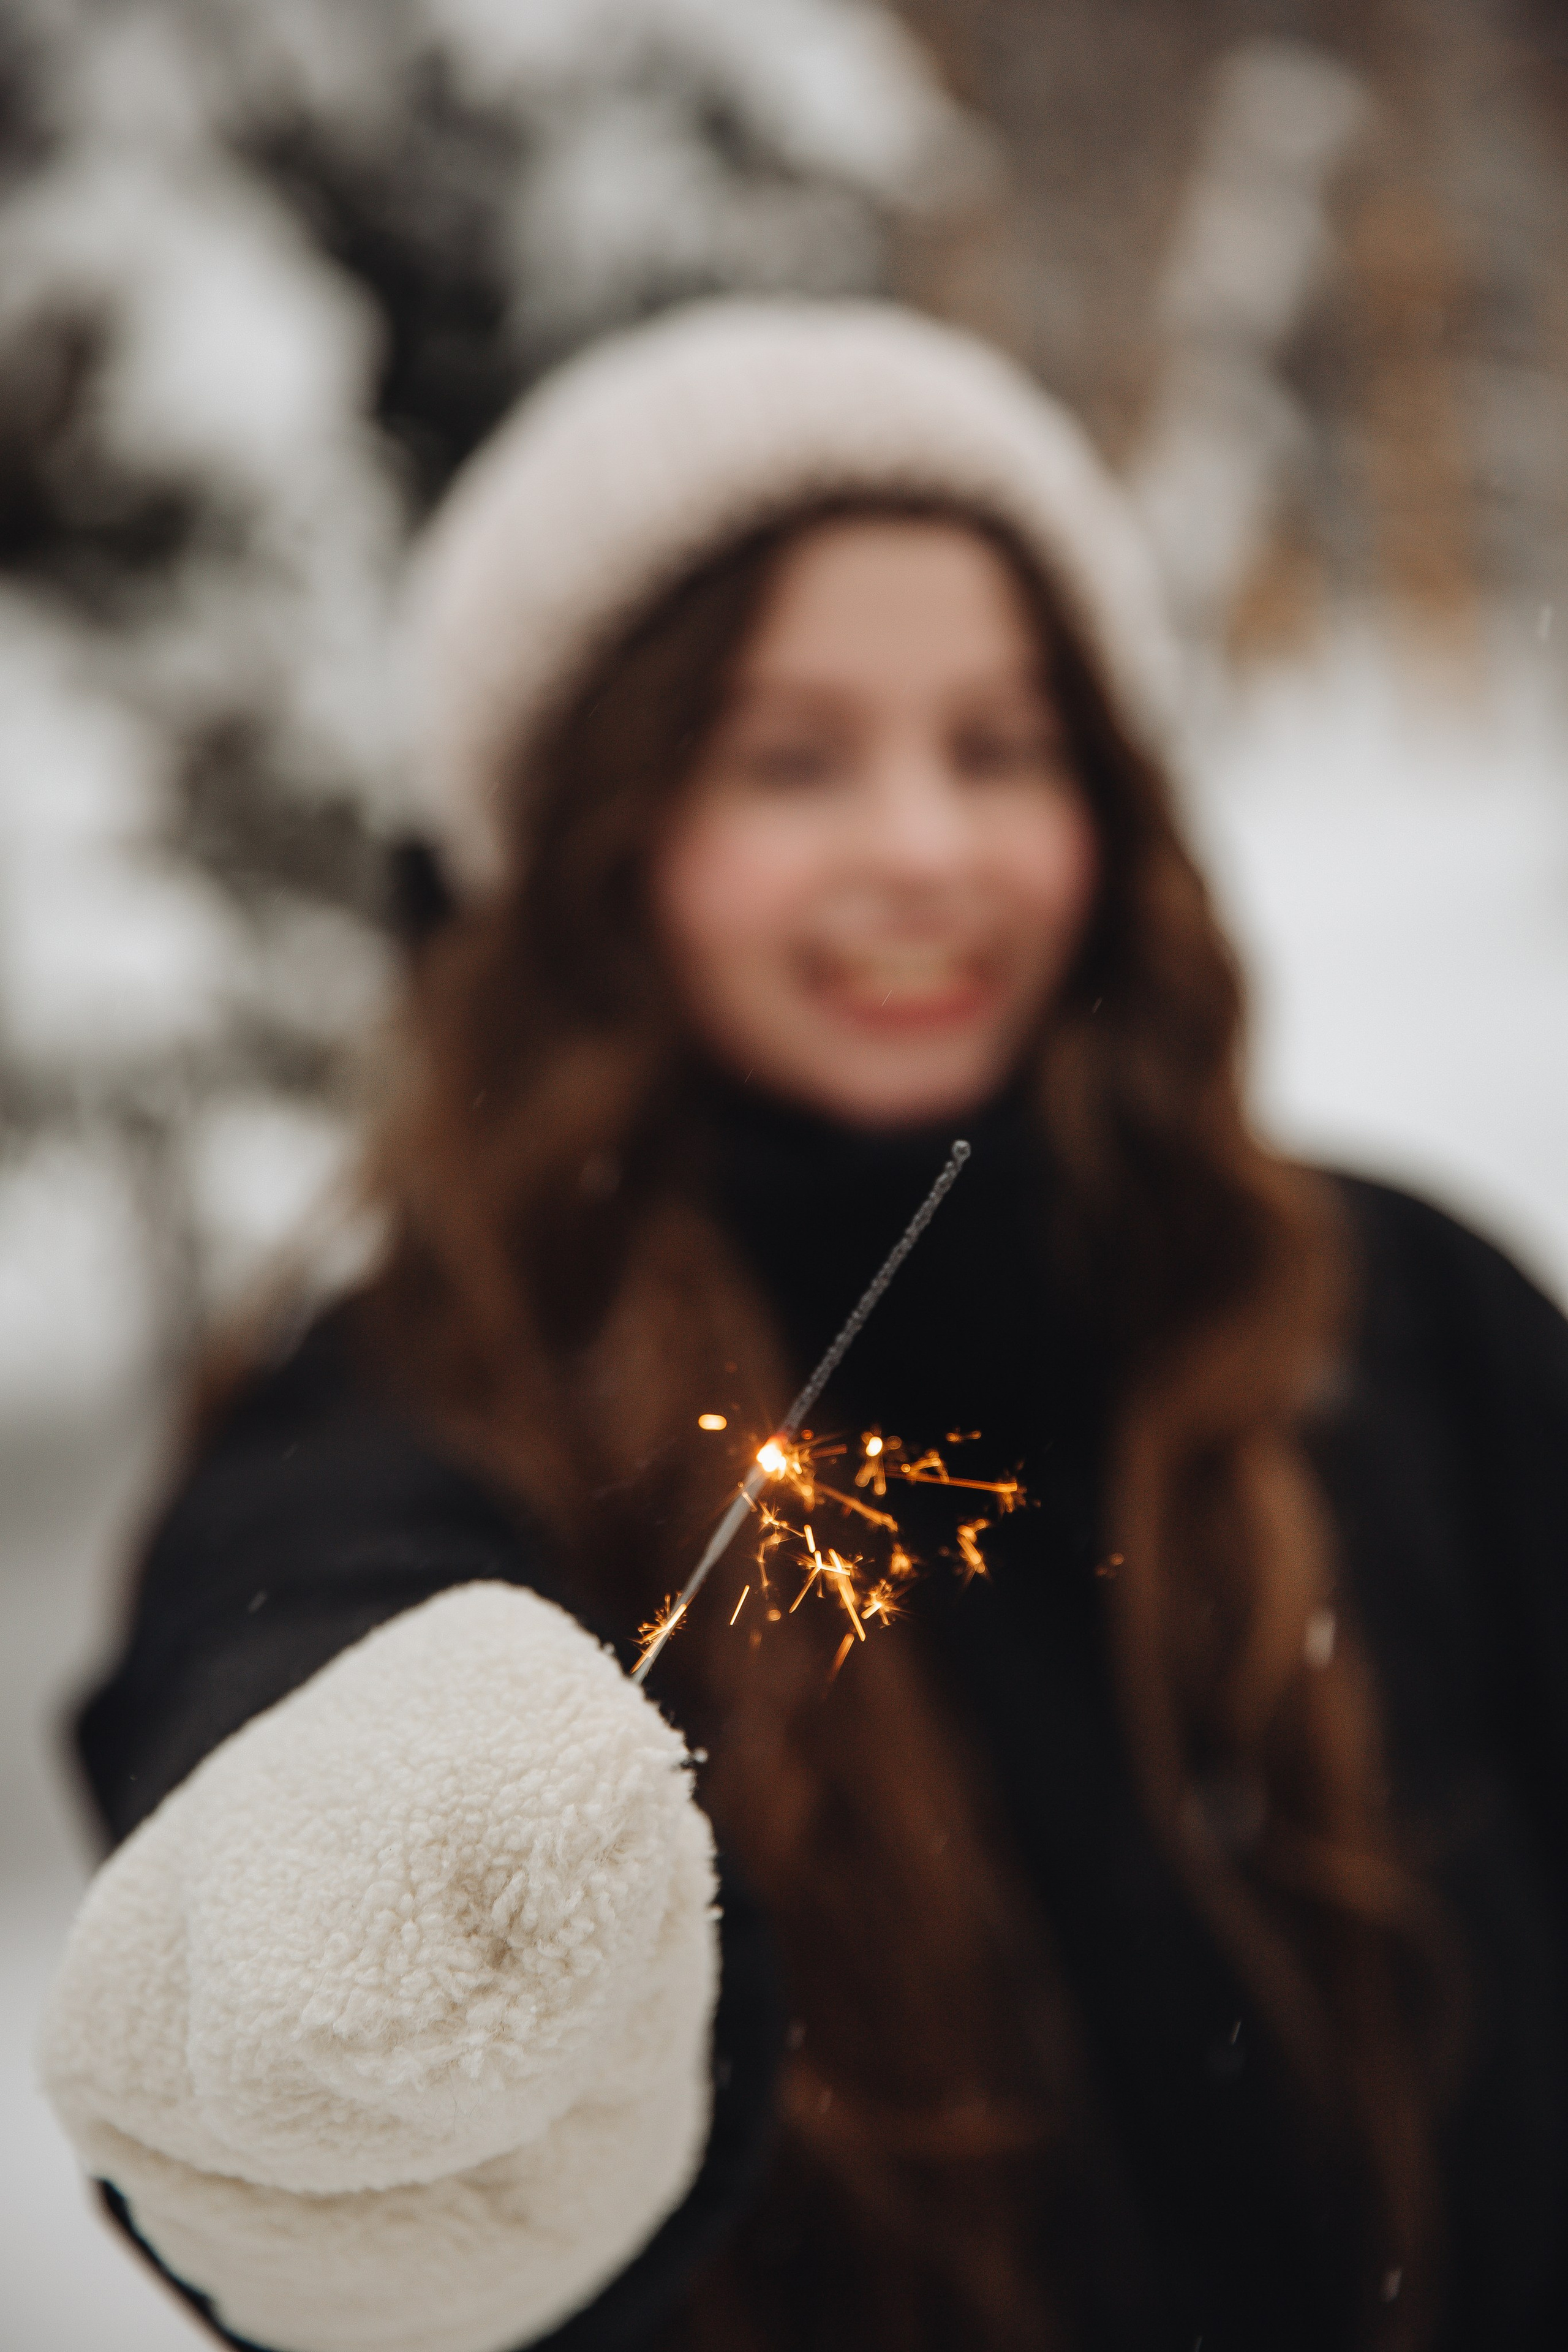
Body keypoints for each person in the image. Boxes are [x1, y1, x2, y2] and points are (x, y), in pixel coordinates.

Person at [41, 301, 1568, 2352]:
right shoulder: (408, 1420)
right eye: (789, 757)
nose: (925, 849)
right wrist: (360, 1932)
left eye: (1003, 743)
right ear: (582, 847)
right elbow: (302, 1657)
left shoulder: (1397, 1307)